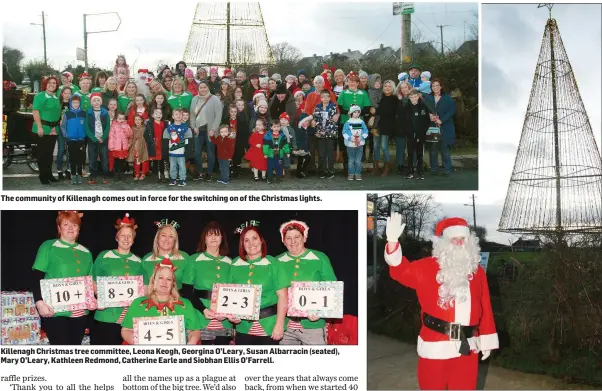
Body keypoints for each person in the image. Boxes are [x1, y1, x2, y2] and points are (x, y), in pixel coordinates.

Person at [383, 213, 498, 390]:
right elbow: (400, 270)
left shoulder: (477, 273)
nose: (460, 243)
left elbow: (485, 307)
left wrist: (486, 340)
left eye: (463, 238)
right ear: (443, 243)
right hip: (436, 344)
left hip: (468, 346)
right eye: (454, 239)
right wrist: (392, 242)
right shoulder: (425, 267)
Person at [31, 211, 93, 345]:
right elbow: (37, 277)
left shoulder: (86, 252)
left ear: (79, 229)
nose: (71, 228)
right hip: (55, 311)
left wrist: (94, 298)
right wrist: (39, 303)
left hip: (80, 312)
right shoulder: (48, 246)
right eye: (66, 224)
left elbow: (89, 281)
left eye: (74, 225)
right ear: (59, 228)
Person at [277, 220, 337, 345]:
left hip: (313, 325)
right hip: (285, 326)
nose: (293, 241)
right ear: (283, 240)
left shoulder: (320, 258)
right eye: (288, 238)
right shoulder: (277, 261)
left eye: (296, 237)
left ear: (304, 238)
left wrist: (320, 312)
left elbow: (333, 289)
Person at [229, 223, 289, 345]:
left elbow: (283, 296)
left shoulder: (273, 263)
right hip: (243, 327)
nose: (251, 243)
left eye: (254, 238)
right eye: (246, 240)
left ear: (261, 241)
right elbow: (230, 295)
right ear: (242, 244)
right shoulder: (235, 264)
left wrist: (279, 324)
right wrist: (231, 315)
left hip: (269, 326)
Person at [121, 258, 201, 345]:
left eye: (169, 279)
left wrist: (191, 342)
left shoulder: (185, 304)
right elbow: (126, 330)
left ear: (173, 284)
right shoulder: (137, 303)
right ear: (153, 280)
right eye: (160, 278)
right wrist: (136, 342)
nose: (164, 282)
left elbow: (194, 330)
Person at [92, 213, 143, 345]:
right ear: (116, 237)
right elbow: (92, 281)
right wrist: (99, 298)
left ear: (133, 239)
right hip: (105, 317)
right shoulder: (104, 256)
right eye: (122, 235)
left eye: (129, 236)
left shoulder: (139, 261)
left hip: (129, 320)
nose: (126, 239)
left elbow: (145, 288)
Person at [182, 221, 235, 345]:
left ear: (222, 238)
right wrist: (203, 310)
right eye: (209, 234)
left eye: (217, 234)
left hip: (225, 321)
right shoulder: (194, 259)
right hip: (201, 317)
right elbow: (187, 291)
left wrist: (227, 313)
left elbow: (235, 291)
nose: (213, 238)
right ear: (204, 239)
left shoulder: (230, 262)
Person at [337, 72, 371, 175]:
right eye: (350, 81)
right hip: (345, 121)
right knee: (346, 144)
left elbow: (367, 107)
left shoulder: (363, 93)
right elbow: (339, 107)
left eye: (354, 81)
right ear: (347, 82)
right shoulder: (343, 93)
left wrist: (358, 113)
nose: (352, 83)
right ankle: (346, 168)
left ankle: (357, 169)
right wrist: (347, 113)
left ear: (357, 83)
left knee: (358, 144)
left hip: (359, 123)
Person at [142, 220, 190, 289]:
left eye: (171, 236)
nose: (166, 239)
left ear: (175, 240)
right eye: (163, 235)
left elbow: (189, 288)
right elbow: (145, 288)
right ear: (157, 238)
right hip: (153, 298)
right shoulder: (146, 259)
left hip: (178, 298)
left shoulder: (184, 257)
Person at [190, 80, 223, 181]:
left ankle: (209, 172)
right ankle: (199, 171)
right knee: (196, 152)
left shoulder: (214, 99)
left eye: (205, 87)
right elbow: (192, 115)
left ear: (208, 88)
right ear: (198, 89)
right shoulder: (195, 99)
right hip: (198, 130)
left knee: (210, 152)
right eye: (201, 87)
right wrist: (193, 126)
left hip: (210, 130)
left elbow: (218, 115)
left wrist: (213, 129)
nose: (203, 89)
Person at [32, 76, 62, 185]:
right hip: (43, 128)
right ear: (45, 84)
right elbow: (36, 112)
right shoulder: (40, 96)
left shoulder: (55, 97)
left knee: (49, 153)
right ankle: (43, 175)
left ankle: (49, 174)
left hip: (53, 129)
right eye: (50, 83)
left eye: (54, 83)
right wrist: (39, 127)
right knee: (42, 153)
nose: (52, 84)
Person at [425, 78, 456, 176]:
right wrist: (429, 116)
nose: (435, 87)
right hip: (432, 127)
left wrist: (441, 120)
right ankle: (434, 169)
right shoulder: (428, 98)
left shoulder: (447, 98)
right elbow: (424, 110)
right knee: (433, 149)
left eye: (437, 85)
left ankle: (447, 169)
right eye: (433, 86)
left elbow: (452, 111)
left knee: (444, 149)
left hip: (445, 127)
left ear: (441, 86)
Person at [400, 88, 431, 180]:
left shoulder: (423, 106)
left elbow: (427, 120)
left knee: (419, 153)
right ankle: (410, 172)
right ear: (409, 97)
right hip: (410, 134)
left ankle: (420, 172)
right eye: (411, 97)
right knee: (410, 153)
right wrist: (406, 131)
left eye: (415, 96)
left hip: (420, 134)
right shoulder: (406, 106)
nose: (413, 98)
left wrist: (423, 131)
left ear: (418, 96)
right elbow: (402, 121)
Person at [374, 80, 399, 177]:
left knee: (384, 146)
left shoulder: (395, 99)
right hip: (377, 125)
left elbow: (396, 115)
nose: (387, 88)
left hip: (387, 126)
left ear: (392, 88)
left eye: (389, 86)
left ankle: (387, 167)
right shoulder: (381, 98)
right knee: (376, 146)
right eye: (385, 86)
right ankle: (375, 167)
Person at [60, 95, 87, 185]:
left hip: (81, 140)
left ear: (80, 103)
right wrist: (66, 135)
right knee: (72, 159)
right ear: (71, 103)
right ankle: (73, 175)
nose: (76, 104)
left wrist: (85, 135)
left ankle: (79, 175)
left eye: (78, 102)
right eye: (74, 102)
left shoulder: (83, 113)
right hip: (70, 140)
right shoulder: (67, 114)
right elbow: (63, 126)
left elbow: (87, 126)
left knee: (80, 159)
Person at [312, 89, 338, 179]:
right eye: (323, 97)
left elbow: (335, 118)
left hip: (330, 133)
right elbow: (315, 118)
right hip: (320, 134)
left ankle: (330, 170)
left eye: (327, 97)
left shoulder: (333, 107)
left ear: (330, 98)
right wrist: (313, 122)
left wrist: (337, 116)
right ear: (321, 98)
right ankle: (322, 170)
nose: (326, 98)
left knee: (330, 153)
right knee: (321, 153)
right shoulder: (317, 107)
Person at [86, 93, 111, 185]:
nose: (96, 102)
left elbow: (108, 126)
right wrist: (94, 138)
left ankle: (105, 175)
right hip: (92, 140)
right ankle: (93, 176)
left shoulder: (105, 112)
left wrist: (103, 137)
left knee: (104, 158)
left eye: (98, 100)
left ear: (101, 102)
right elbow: (87, 127)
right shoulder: (88, 112)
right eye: (94, 101)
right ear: (91, 102)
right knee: (92, 159)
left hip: (103, 140)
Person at [343, 104, 369, 181]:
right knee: (351, 160)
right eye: (354, 112)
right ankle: (351, 173)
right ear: (351, 113)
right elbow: (344, 132)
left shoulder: (362, 122)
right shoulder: (347, 122)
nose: (357, 113)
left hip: (360, 144)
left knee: (358, 160)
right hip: (350, 144)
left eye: (358, 112)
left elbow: (365, 131)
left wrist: (361, 137)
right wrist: (350, 138)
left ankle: (358, 173)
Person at [167, 108, 189, 186]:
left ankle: (182, 179)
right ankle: (173, 179)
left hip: (181, 151)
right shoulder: (169, 127)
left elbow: (187, 139)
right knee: (172, 166)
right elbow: (168, 138)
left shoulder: (185, 127)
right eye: (176, 114)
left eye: (180, 114)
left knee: (182, 166)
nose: (178, 116)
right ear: (173, 116)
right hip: (172, 151)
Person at [108, 112, 133, 181]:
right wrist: (111, 146)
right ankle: (116, 174)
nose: (121, 120)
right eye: (119, 118)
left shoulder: (127, 126)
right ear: (116, 119)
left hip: (123, 147)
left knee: (122, 161)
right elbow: (111, 137)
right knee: (116, 161)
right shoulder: (113, 126)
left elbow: (130, 135)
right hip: (116, 147)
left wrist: (125, 128)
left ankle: (122, 173)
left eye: (123, 119)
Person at [145, 108, 168, 182]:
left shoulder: (164, 124)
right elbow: (145, 135)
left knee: (161, 160)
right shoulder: (150, 124)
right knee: (155, 160)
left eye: (160, 114)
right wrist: (151, 141)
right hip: (154, 145)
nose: (158, 115)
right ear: (152, 115)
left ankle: (162, 174)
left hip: (162, 145)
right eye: (156, 114)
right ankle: (156, 176)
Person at [128, 114, 150, 180]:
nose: (137, 121)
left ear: (142, 120)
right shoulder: (133, 128)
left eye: (139, 119)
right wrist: (130, 144)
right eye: (136, 120)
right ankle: (137, 174)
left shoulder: (144, 128)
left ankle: (143, 174)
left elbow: (147, 137)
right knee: (137, 160)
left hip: (143, 146)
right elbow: (131, 137)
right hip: (135, 147)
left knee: (143, 160)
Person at [294, 114, 313, 178]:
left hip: (305, 148)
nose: (306, 122)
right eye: (305, 121)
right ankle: (302, 171)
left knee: (300, 161)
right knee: (308, 157)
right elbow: (300, 123)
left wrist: (314, 126)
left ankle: (298, 173)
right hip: (300, 148)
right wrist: (308, 117)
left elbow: (312, 131)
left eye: (307, 121)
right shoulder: (299, 128)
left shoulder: (307, 129)